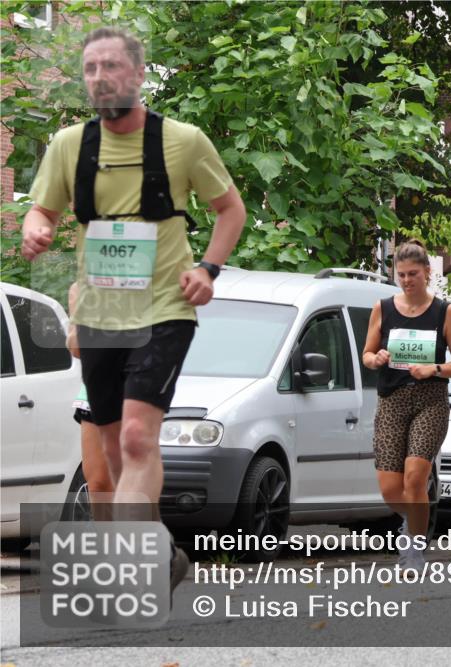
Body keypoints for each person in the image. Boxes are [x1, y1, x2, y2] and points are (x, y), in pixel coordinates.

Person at [20, 27, 246, 596]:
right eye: (91, 67)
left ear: (138, 74)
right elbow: (39, 211)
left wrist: (209, 270)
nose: (100, 77)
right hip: (98, 313)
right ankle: (160, 550)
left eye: (111, 66)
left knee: (140, 440)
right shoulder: (68, 146)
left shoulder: (185, 141)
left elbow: (230, 210)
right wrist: (38, 229)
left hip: (165, 308)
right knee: (117, 456)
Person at [362, 240, 451, 570]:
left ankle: (414, 550)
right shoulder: (383, 308)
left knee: (414, 479)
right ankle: (412, 521)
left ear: (427, 273)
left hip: (430, 402)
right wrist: (376, 357)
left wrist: (434, 369)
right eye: (402, 274)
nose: (407, 280)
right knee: (391, 489)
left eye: (413, 274)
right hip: (392, 401)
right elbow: (366, 356)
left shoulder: (444, 312)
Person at [66, 282, 114, 522]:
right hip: (94, 393)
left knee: (130, 479)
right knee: (97, 483)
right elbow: (75, 347)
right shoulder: (81, 290)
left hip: (138, 390)